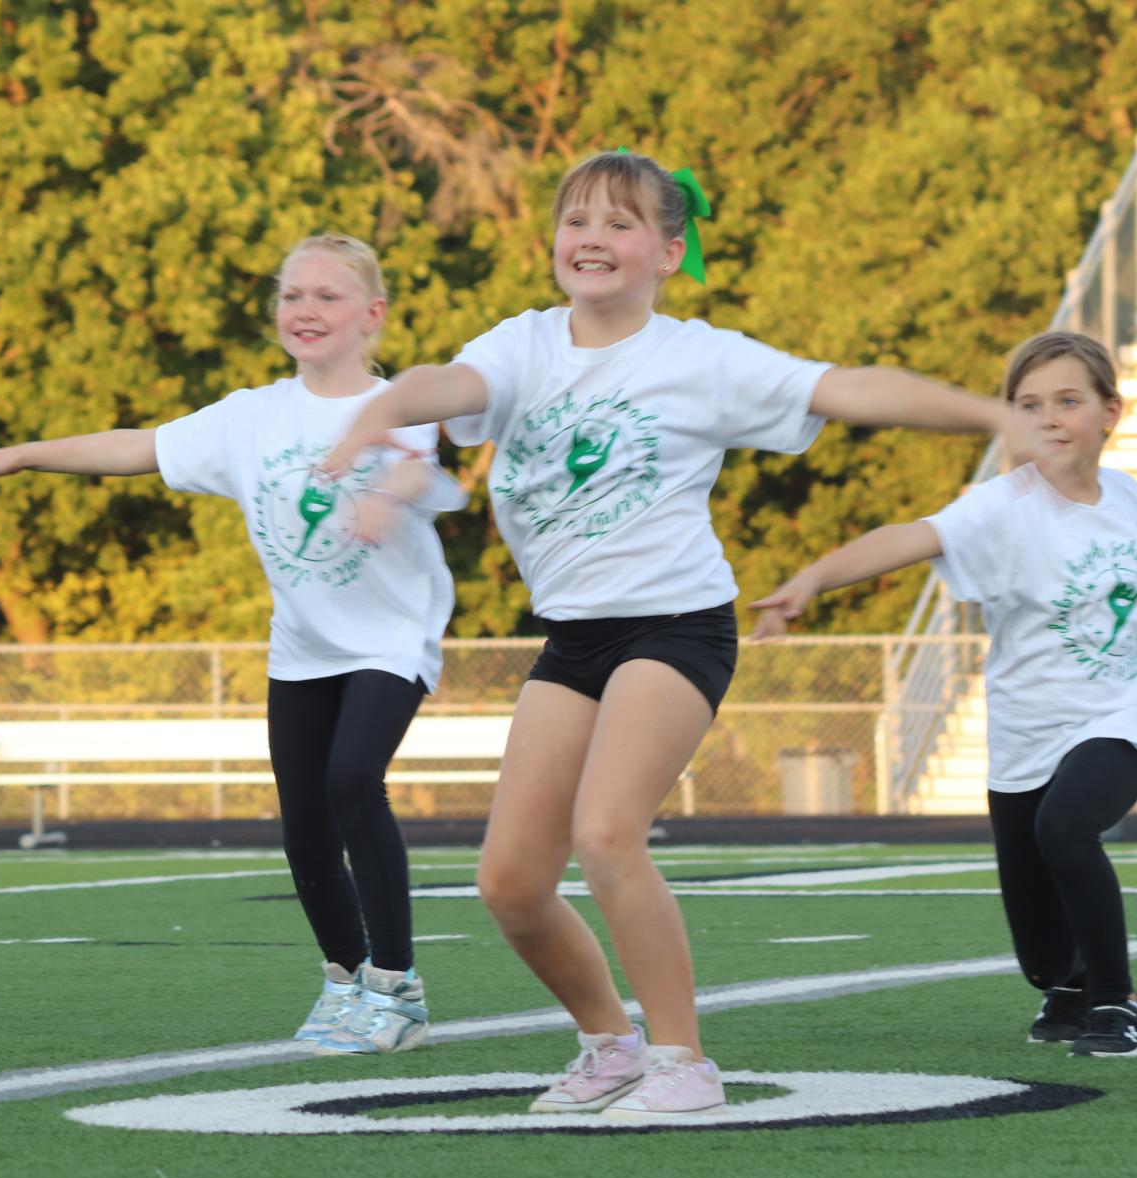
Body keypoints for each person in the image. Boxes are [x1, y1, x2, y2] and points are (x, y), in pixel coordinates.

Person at [320, 150, 1008, 1115]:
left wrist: (991, 414)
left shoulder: (702, 359)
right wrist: (379, 413)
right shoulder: (521, 345)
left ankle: (684, 1062)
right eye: (574, 220)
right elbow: (444, 384)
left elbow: (848, 389)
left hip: (675, 629)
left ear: (668, 253)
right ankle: (609, 1045)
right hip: (572, 640)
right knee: (510, 883)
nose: (590, 239)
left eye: (617, 223)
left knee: (606, 833)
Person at [0, 233, 463, 1055]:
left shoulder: (396, 405)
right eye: (292, 296)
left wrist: (387, 499)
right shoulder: (248, 417)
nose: (305, 311)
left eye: (326, 296)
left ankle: (398, 990)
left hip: (392, 635)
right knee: (303, 826)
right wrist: (21, 457)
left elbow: (408, 463)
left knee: (353, 780)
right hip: (303, 644)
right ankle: (343, 980)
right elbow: (137, 447)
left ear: (372, 315)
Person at [753, 331, 1137, 1059]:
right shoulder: (1000, 504)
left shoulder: (1129, 500)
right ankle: (1071, 984)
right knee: (1040, 958)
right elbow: (909, 535)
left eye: (1067, 401)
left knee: (1066, 828)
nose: (1048, 417)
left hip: (1114, 720)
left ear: (1109, 412)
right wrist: (811, 578)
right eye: (1027, 405)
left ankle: (1119, 1003)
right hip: (1022, 739)